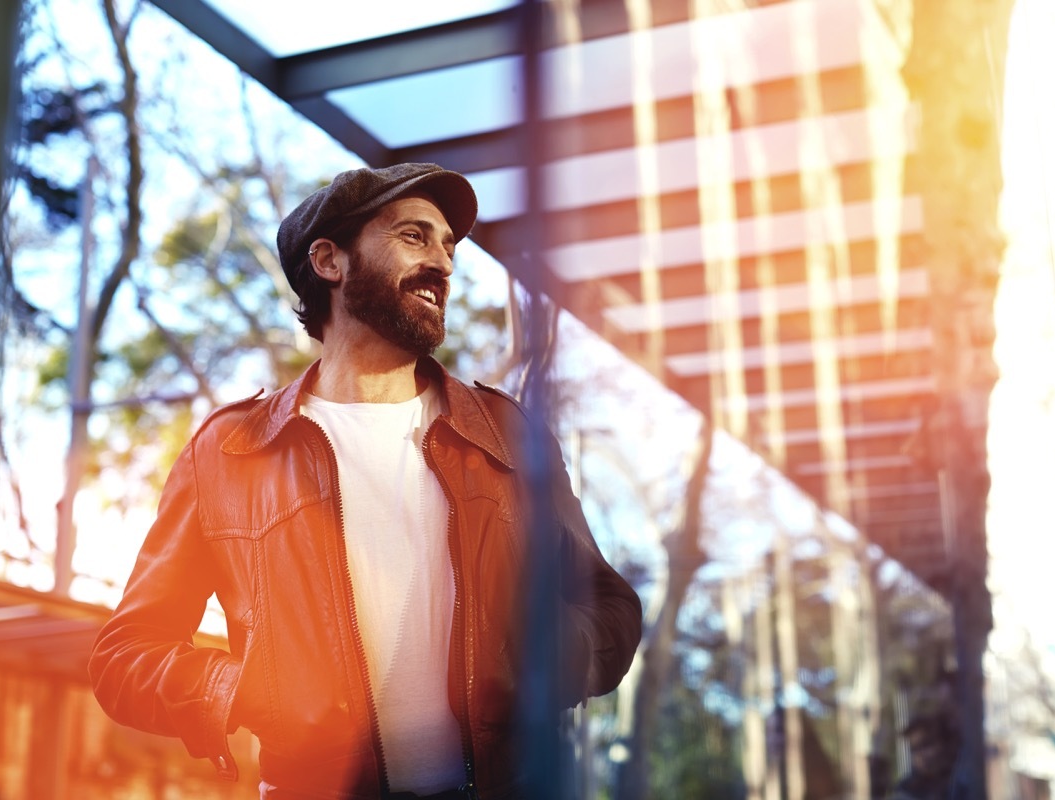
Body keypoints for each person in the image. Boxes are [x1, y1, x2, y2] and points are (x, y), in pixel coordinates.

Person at [89, 163, 643, 800]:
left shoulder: (506, 434)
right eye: (415, 237)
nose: (444, 263)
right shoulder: (230, 452)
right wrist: (239, 687)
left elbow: (611, 611)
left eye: (448, 246)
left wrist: (542, 651)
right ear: (329, 260)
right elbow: (124, 656)